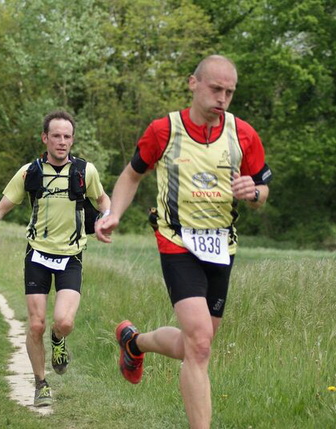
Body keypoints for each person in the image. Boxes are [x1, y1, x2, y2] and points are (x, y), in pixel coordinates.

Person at [95, 55, 272, 428]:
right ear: (193, 83)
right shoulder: (164, 130)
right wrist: (114, 214)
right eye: (215, 89)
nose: (223, 97)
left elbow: (263, 191)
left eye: (229, 92)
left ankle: (134, 342)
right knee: (201, 343)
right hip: (176, 241)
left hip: (222, 246)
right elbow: (131, 176)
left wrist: (253, 192)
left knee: (197, 346)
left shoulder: (244, 134)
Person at [0, 110, 110, 407]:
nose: (62, 142)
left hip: (71, 255)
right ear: (45, 138)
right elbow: (2, 207)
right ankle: (41, 383)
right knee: (35, 324)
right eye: (56, 136)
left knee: (64, 321)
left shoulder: (85, 172)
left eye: (67, 137)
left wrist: (105, 219)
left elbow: (103, 202)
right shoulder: (30, 172)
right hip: (37, 254)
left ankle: (58, 340)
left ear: (72, 139)